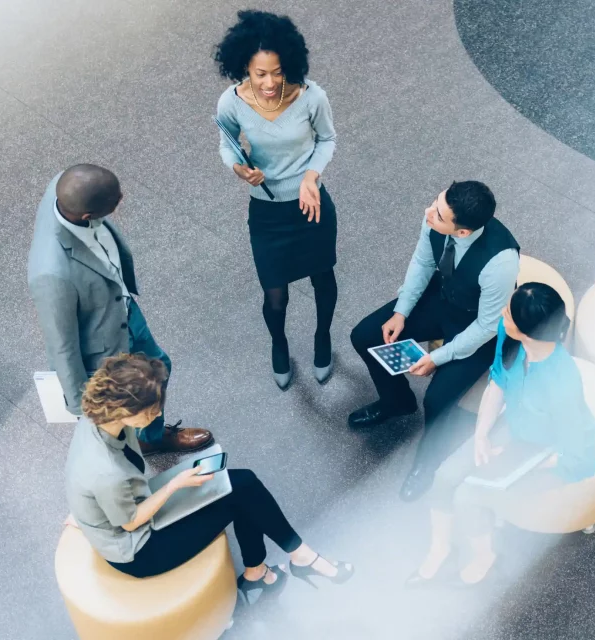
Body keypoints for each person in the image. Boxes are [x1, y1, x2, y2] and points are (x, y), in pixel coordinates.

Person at [64, 353, 354, 602]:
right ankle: (292, 562)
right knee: (240, 496)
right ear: (125, 410)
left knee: (241, 484)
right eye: (150, 411)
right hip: (140, 550)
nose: (155, 418)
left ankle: (271, 567)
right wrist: (175, 484)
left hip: (131, 505)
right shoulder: (105, 471)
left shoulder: (100, 418)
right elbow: (130, 521)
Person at [407, 283, 595, 588]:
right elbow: (497, 382)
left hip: (544, 450)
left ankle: (485, 555)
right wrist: (482, 435)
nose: (501, 314)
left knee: (469, 496)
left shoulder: (561, 382)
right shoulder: (511, 339)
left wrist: (512, 461)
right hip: (514, 426)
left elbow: (574, 452)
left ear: (528, 331)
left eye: (508, 313)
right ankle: (440, 547)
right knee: (444, 475)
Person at [349, 181, 520, 502]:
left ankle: (427, 465)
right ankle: (396, 401)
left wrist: (436, 359)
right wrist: (401, 312)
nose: (428, 212)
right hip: (442, 299)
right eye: (435, 204)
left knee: (437, 400)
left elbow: (486, 325)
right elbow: (423, 264)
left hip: (474, 323)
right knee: (364, 335)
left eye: (439, 214)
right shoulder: (434, 218)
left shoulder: (501, 262)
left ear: (462, 232)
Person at [28, 164, 212, 454]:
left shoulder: (66, 187)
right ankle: (140, 444)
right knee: (132, 399)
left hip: (123, 309)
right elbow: (61, 346)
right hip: (104, 346)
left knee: (160, 368)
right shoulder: (51, 274)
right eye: (116, 201)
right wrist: (83, 408)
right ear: (88, 216)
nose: (122, 198)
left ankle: (149, 436)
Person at [214, 11, 338, 390]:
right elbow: (227, 145)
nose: (269, 83)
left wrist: (310, 178)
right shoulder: (231, 103)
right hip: (266, 210)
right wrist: (239, 169)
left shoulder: (311, 96)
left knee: (323, 277)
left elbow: (327, 140)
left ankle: (322, 337)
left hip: (310, 203)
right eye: (259, 74)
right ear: (243, 69)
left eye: (277, 72)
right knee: (275, 294)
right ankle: (279, 343)